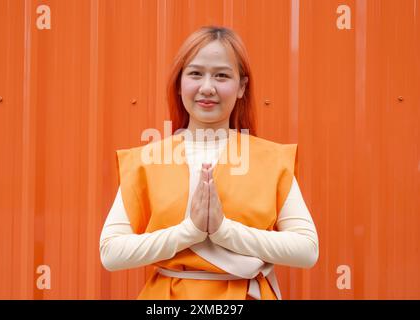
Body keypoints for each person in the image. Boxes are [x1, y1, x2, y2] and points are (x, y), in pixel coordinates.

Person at [99, 25, 319, 300]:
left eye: (222, 76)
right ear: (179, 84)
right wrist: (188, 232)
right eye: (195, 73)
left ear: (241, 87)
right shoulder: (147, 160)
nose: (207, 87)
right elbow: (111, 252)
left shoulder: (271, 161)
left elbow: (307, 250)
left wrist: (224, 231)